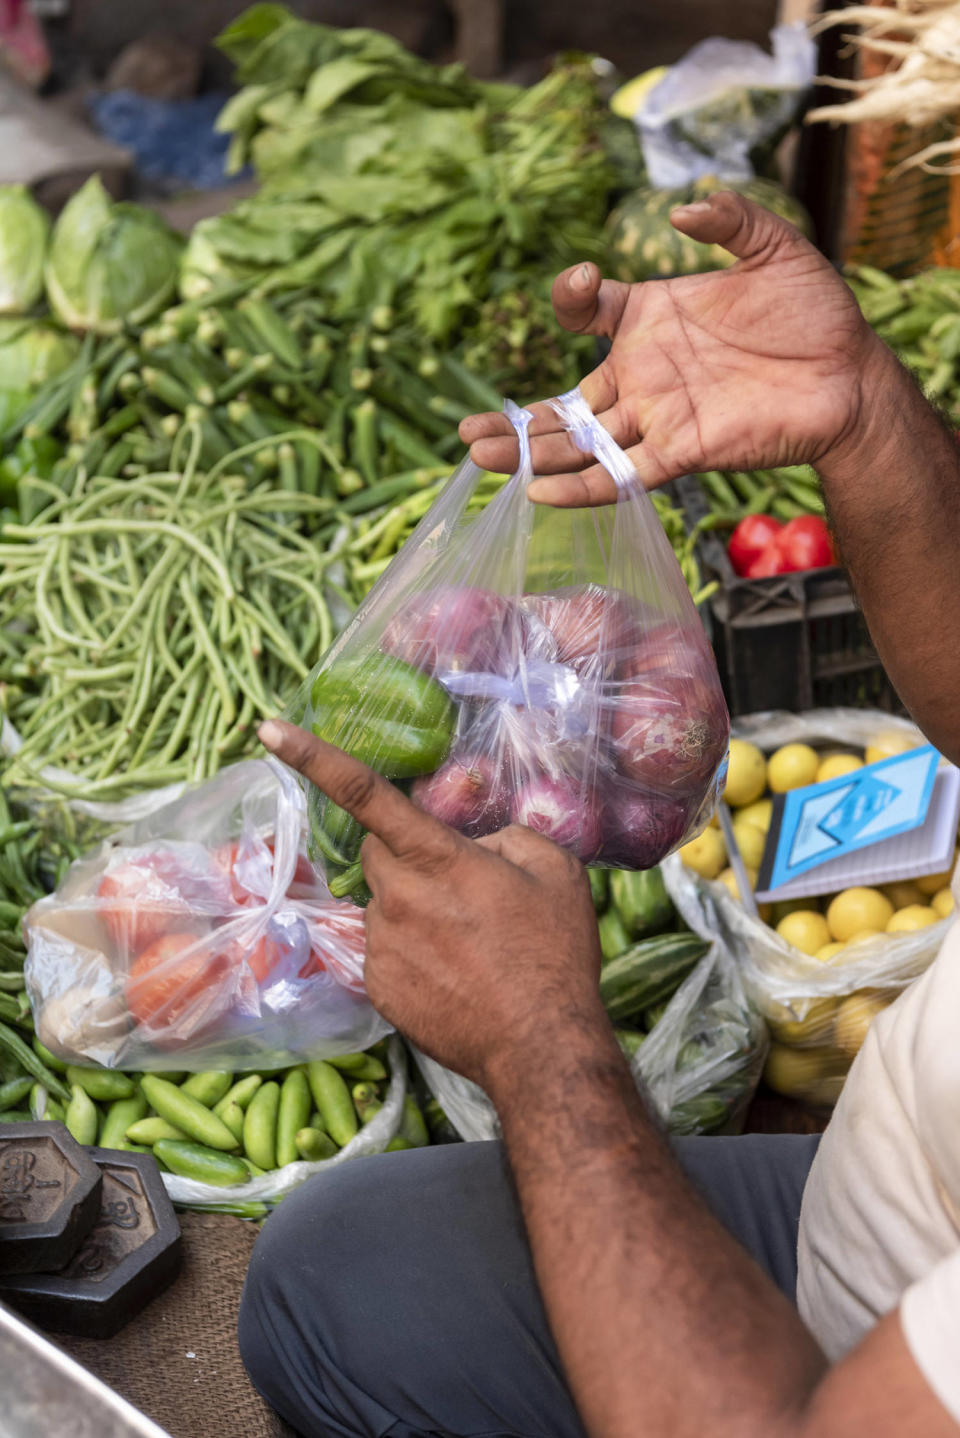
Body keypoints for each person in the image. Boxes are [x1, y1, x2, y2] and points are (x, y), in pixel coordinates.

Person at [237, 192, 960, 1438]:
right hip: (899, 1212)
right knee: (325, 1265)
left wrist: (542, 1042)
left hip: (824, 1387)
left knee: (337, 1302)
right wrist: (860, 408)